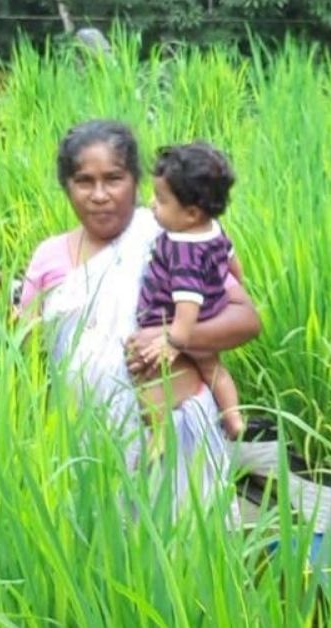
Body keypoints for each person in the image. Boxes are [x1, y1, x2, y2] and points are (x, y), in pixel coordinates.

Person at [16, 119, 260, 513]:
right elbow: (26, 355)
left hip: (179, 440)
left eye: (113, 179)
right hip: (88, 449)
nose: (99, 195)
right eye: (84, 181)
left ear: (136, 182)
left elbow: (246, 319)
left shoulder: (172, 238)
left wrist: (171, 338)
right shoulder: (48, 257)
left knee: (190, 559)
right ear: (66, 186)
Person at [135, 142, 246, 441]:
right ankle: (233, 417)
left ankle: (158, 434)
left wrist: (173, 342)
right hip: (213, 312)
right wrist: (238, 282)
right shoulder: (213, 229)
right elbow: (233, 261)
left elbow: (187, 305)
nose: (151, 204)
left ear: (191, 213)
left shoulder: (183, 251)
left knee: (155, 380)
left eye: (160, 200)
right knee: (215, 370)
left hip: (175, 322)